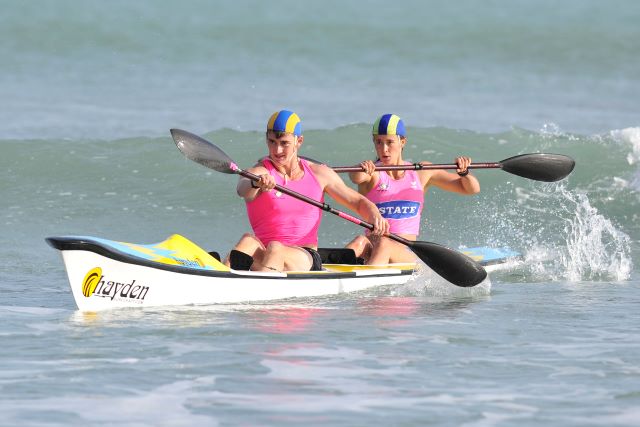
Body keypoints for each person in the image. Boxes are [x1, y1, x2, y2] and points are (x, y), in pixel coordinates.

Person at [225, 109, 389, 272]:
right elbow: (242, 188)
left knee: (276, 248)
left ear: (299, 141)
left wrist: (374, 214)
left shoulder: (319, 174)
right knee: (247, 242)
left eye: (284, 143)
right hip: (266, 252)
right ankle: (223, 274)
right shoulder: (260, 172)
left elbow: (357, 201)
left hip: (305, 257)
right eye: (272, 142)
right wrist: (256, 184)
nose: (277, 150)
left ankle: (258, 284)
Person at [346, 113, 480, 264]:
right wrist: (360, 168)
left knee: (385, 244)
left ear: (402, 142)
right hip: (373, 248)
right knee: (359, 242)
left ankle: (366, 280)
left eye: (389, 142)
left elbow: (471, 189)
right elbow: (355, 177)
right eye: (378, 142)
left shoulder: (421, 173)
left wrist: (464, 173)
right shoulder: (373, 174)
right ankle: (323, 269)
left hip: (405, 254)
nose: (384, 149)